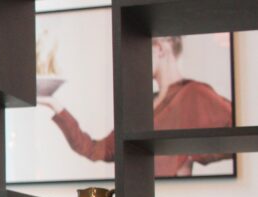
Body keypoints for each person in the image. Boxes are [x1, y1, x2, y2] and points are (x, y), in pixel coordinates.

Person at [38, 36, 233, 177]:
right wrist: (54, 104)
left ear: (159, 48)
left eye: (140, 52)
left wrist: (190, 155)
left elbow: (237, 129)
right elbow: (94, 150)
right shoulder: (142, 106)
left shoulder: (195, 93)